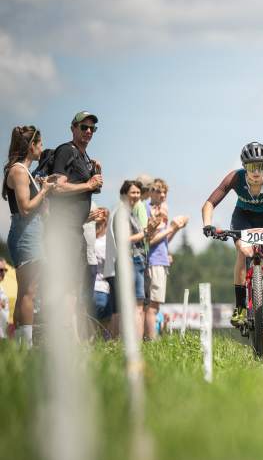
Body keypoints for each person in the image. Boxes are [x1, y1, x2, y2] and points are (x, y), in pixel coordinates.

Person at [202, 142, 263, 340]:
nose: (256, 172)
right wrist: (207, 224)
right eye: (251, 167)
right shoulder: (235, 178)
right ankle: (240, 307)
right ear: (244, 167)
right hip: (243, 217)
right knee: (243, 252)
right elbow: (210, 203)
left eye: (260, 166)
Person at [4, 125, 57, 346]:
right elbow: (25, 207)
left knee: (28, 291)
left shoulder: (26, 173)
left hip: (32, 234)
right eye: (40, 144)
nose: (42, 149)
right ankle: (26, 346)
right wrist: (44, 191)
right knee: (28, 293)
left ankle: (20, 344)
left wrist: (44, 190)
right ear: (31, 146)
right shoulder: (18, 170)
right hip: (25, 235)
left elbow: (38, 210)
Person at [45, 112, 104, 305]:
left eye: (92, 128)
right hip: (63, 228)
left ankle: (72, 334)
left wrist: (95, 176)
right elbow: (58, 186)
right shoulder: (66, 150)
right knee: (65, 284)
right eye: (84, 127)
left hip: (76, 229)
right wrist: (88, 185)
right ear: (73, 128)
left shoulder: (83, 155)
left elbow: (93, 190)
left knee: (74, 285)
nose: (88, 131)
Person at [110, 180, 154, 341]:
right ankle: (134, 343)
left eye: (137, 192)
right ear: (124, 194)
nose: (136, 195)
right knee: (137, 306)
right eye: (132, 192)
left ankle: (133, 342)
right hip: (131, 260)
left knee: (137, 306)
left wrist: (148, 231)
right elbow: (123, 239)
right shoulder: (122, 213)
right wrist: (144, 233)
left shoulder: (131, 213)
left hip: (137, 259)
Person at [144, 179, 187, 340]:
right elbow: (149, 240)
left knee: (155, 304)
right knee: (152, 305)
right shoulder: (148, 210)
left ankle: (150, 338)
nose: (162, 195)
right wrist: (172, 227)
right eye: (158, 191)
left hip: (161, 260)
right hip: (153, 261)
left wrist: (176, 229)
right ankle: (151, 340)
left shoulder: (161, 211)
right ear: (150, 192)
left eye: (165, 192)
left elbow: (163, 240)